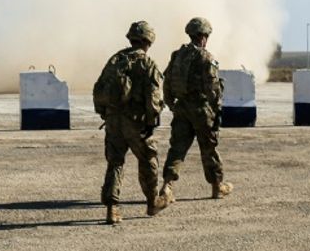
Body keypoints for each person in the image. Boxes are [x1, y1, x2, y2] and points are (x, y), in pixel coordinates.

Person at [92, 21, 169, 225]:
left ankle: (112, 209)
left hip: (113, 120)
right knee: (148, 160)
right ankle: (152, 202)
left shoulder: (116, 60)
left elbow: (99, 89)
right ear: (148, 41)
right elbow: (153, 99)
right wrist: (151, 121)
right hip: (136, 122)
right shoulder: (147, 64)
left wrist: (106, 114)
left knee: (115, 162)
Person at [159, 17, 232, 202]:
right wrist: (216, 110)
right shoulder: (206, 57)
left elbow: (167, 82)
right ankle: (217, 187)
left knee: (177, 149)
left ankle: (167, 187)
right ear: (203, 36)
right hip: (201, 109)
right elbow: (213, 88)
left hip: (182, 108)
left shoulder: (177, 55)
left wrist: (172, 104)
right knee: (209, 149)